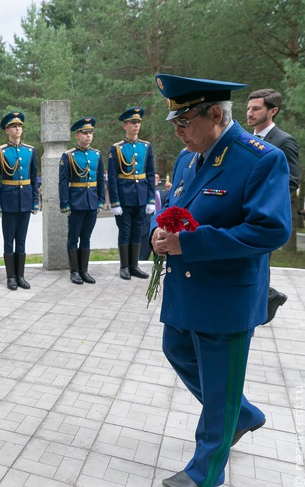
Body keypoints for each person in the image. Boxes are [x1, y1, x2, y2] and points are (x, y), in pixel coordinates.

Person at [152, 74, 291, 487]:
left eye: (185, 122)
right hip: (187, 288)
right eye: (173, 123)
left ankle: (205, 474)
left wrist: (189, 245)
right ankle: (241, 413)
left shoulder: (260, 158)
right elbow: (174, 211)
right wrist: (158, 237)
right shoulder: (186, 158)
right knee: (175, 347)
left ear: (215, 114)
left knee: (219, 379)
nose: (178, 132)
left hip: (226, 294)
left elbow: (270, 231)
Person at [246, 88, 300, 323]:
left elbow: (292, 181)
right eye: (248, 108)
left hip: (265, 212)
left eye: (256, 108)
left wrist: (265, 200)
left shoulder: (284, 141)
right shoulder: (245, 139)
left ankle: (264, 305)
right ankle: (266, 298)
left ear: (273, 111)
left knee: (260, 262)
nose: (249, 113)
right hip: (242, 210)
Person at [0, 111, 39, 290]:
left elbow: (34, 177)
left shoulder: (30, 151)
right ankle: (10, 277)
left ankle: (21, 276)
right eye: (13, 126)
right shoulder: (0, 152)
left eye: (19, 126)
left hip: (25, 199)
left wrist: (35, 201)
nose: (17, 128)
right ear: (7, 131)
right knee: (9, 240)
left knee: (22, 240)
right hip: (9, 200)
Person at [108, 107, 156, 280]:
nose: (136, 126)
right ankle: (124, 267)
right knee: (125, 231)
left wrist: (151, 198)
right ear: (125, 126)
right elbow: (112, 178)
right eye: (133, 123)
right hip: (124, 197)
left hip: (141, 196)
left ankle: (134, 266)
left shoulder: (146, 147)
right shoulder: (117, 149)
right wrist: (115, 202)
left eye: (138, 123)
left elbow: (150, 174)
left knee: (138, 231)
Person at [58, 117, 105, 284]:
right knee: (73, 238)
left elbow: (100, 179)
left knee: (86, 237)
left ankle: (84, 270)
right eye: (85, 133)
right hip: (76, 202)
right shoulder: (68, 156)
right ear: (77, 135)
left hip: (91, 201)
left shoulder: (96, 155)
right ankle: (74, 271)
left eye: (90, 133)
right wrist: (64, 203)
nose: (88, 136)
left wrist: (100, 200)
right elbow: (63, 182)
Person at [139, 173, 171, 261]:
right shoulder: (144, 192)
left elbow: (170, 204)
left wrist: (171, 190)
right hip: (146, 229)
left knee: (160, 259)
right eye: (154, 177)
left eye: (157, 177)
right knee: (142, 257)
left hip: (160, 229)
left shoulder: (164, 193)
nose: (156, 179)